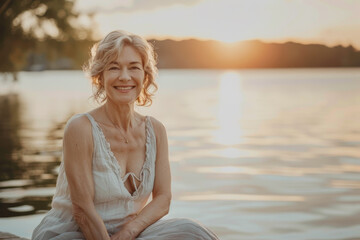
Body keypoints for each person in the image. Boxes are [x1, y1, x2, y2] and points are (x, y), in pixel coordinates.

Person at [32, 30, 219, 240]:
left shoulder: (156, 130)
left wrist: (128, 232)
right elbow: (82, 211)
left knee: (192, 232)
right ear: (100, 77)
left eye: (134, 68)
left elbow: (163, 199)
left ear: (145, 76)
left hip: (128, 234)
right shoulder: (81, 128)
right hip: (75, 233)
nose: (124, 76)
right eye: (114, 67)